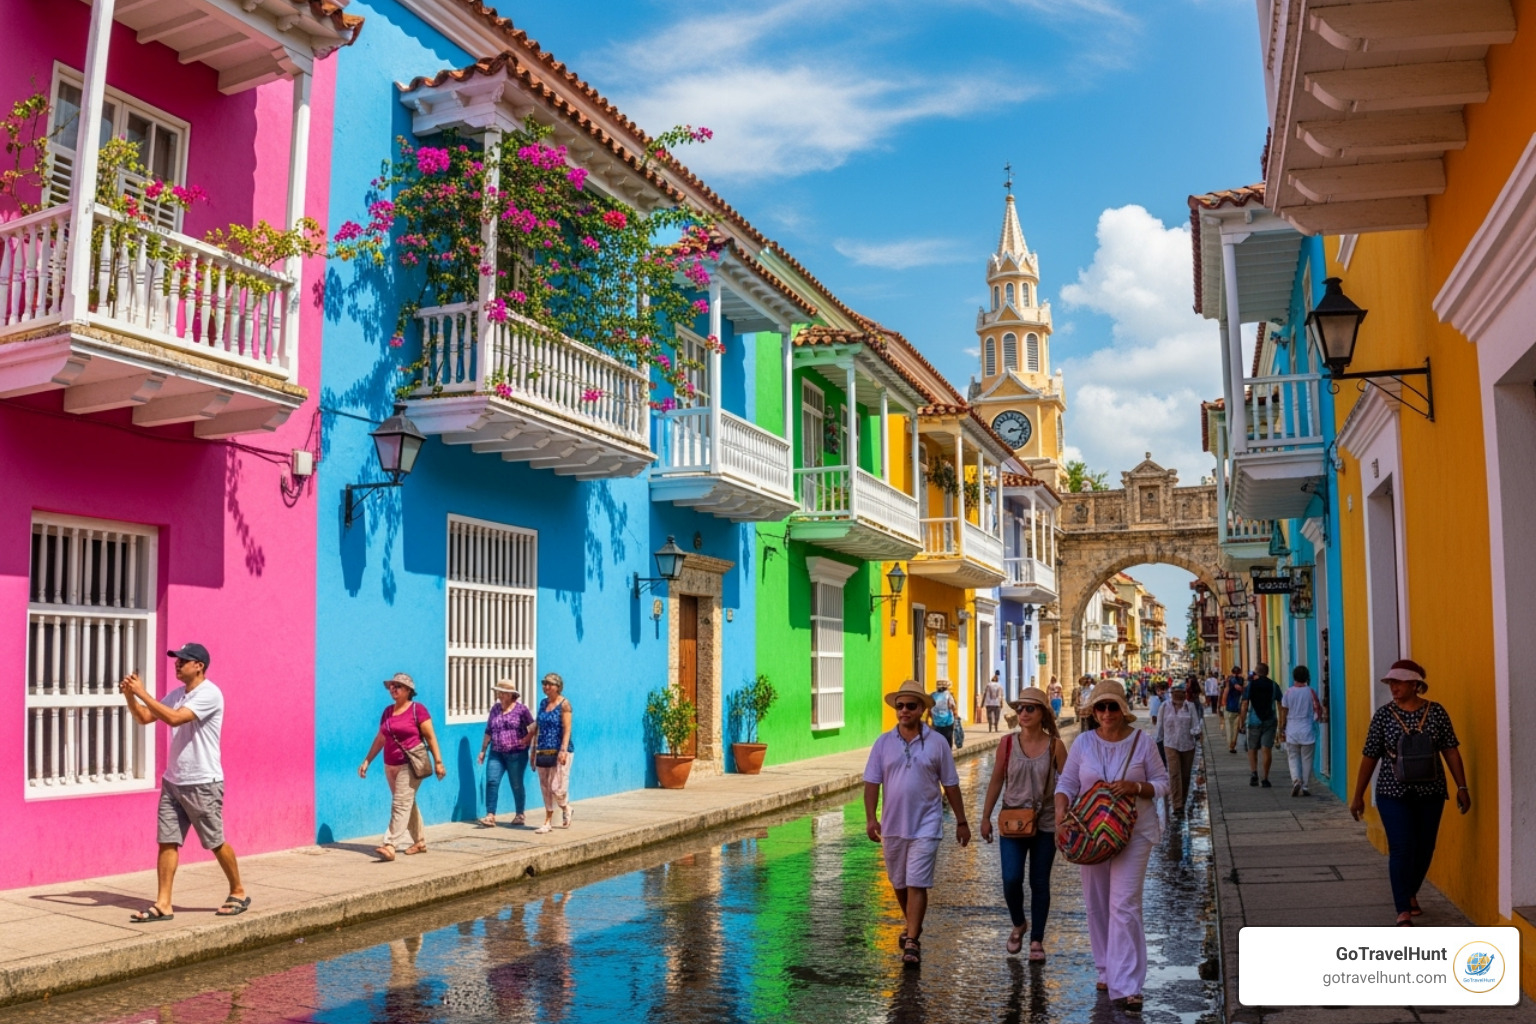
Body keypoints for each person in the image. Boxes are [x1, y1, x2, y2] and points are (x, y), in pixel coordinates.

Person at [1054, 679, 1169, 1012]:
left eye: (1112, 707)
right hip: (1090, 833)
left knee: (1125, 904)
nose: (1106, 713)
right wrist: (1061, 810)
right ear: (1094, 712)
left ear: (1123, 710)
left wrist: (1134, 786)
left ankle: (1128, 984)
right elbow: (1067, 783)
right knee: (1097, 902)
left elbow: (1163, 784)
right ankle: (1105, 968)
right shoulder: (1084, 743)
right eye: (1100, 707)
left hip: (1133, 832)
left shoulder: (1142, 743)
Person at [119, 642, 248, 922]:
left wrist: (143, 692)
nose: (177, 663)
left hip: (203, 782)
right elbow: (144, 717)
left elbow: (176, 720)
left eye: (183, 660)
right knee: (167, 842)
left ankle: (238, 890)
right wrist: (131, 697)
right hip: (173, 781)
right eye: (176, 659)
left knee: (214, 841)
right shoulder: (177, 694)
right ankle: (164, 903)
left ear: (199, 665)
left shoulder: (210, 694)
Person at [1349, 660, 1469, 926]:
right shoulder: (1383, 716)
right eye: (1391, 682)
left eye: (1399, 682)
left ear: (1416, 684)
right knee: (1402, 848)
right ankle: (1402, 907)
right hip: (1393, 793)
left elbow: (1450, 749)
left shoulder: (1436, 712)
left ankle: (1410, 891)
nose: (1393, 687)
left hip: (1432, 792)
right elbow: (1369, 756)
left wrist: (1462, 786)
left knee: (1425, 847)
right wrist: (1358, 795)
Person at [864, 679, 970, 967]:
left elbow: (951, 784)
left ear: (923, 709)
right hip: (893, 824)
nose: (904, 711)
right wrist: (871, 818)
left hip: (927, 823)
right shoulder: (883, 743)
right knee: (898, 882)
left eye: (911, 706)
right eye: (900, 706)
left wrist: (962, 821)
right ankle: (913, 924)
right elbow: (872, 782)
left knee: (916, 881)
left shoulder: (937, 743)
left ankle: (912, 940)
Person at [980, 687, 1067, 961]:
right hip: (1012, 823)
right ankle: (1019, 923)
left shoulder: (1056, 746)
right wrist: (985, 817)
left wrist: (1069, 819)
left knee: (1039, 882)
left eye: (1030, 708)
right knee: (1011, 879)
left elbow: (1068, 783)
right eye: (1020, 709)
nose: (1023, 713)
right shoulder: (1007, 744)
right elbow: (996, 781)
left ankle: (1037, 941)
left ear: (1043, 713)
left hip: (1047, 823)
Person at [361, 672, 446, 861]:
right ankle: (420, 841)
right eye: (391, 686)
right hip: (390, 765)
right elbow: (381, 737)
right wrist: (367, 760)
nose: (393, 689)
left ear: (408, 691)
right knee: (407, 803)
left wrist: (438, 762)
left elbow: (431, 737)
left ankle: (390, 844)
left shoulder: (418, 710)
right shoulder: (387, 712)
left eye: (397, 686)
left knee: (400, 803)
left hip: (411, 764)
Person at [478, 679, 535, 827]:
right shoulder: (495, 709)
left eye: (503, 692)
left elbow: (534, 727)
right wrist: (483, 750)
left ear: (511, 695)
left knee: (516, 784)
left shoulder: (521, 710)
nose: (500, 695)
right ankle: (490, 815)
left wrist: (527, 739)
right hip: (496, 752)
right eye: (499, 692)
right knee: (491, 781)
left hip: (516, 753)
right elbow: (489, 730)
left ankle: (520, 814)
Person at [531, 672, 574, 834]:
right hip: (543, 749)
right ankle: (548, 821)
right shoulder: (543, 704)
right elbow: (538, 727)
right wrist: (533, 751)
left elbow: (567, 729)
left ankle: (566, 807)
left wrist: (563, 750)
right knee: (545, 786)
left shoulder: (565, 704)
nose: (546, 687)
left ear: (558, 686)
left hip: (560, 751)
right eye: (544, 683)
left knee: (557, 787)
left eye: (549, 684)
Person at [1156, 682, 1202, 817]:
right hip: (1170, 744)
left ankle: (1182, 800)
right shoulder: (1165, 707)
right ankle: (1177, 805)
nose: (1178, 696)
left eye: (1180, 694)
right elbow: (1159, 726)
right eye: (1175, 694)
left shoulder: (1190, 707)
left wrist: (1196, 732)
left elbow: (1195, 725)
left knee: (1185, 775)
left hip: (1188, 745)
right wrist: (1156, 742)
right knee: (1174, 773)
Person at [1278, 666, 1325, 797]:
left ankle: (1296, 780)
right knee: (1307, 759)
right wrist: (1315, 720)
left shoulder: (1288, 692)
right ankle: (1305, 786)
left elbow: (1284, 711)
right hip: (1307, 729)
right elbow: (1318, 710)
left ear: (1294, 677)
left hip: (1292, 729)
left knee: (1293, 757)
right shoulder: (1310, 691)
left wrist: (1282, 727)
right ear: (1306, 677)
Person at [1240, 662, 1282, 787]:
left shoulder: (1251, 686)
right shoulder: (1274, 686)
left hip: (1254, 720)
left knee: (1252, 748)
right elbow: (1280, 704)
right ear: (1267, 672)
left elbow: (1244, 704)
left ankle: (1254, 773)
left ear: (1256, 672)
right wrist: (1282, 722)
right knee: (1266, 749)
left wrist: (1241, 721)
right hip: (1270, 720)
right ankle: (1265, 777)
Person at [1222, 668, 1246, 753]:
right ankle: (1232, 745)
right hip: (1235, 706)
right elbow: (1238, 688)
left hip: (1231, 706)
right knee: (1234, 728)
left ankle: (1231, 746)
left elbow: (1225, 692)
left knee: (1231, 728)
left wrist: (1222, 704)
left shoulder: (1230, 680)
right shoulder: (1237, 680)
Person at [929, 678, 958, 747]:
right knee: (948, 740)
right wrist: (956, 715)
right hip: (947, 722)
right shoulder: (948, 695)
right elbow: (952, 706)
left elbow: (929, 709)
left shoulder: (932, 695)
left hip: (936, 722)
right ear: (946, 687)